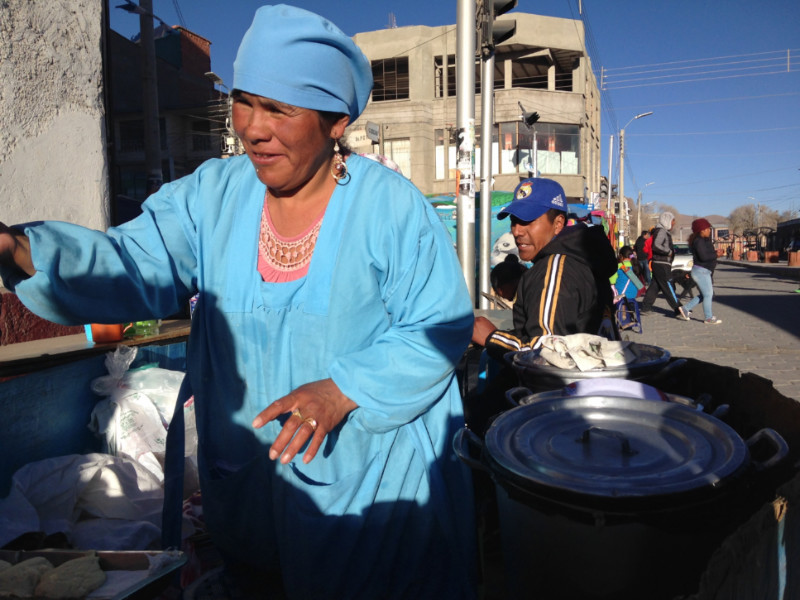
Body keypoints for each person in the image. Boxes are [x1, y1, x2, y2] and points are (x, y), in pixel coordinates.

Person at [0, 6, 477, 599]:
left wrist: (339, 389)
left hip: (361, 484)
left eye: (280, 109)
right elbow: (131, 261)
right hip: (248, 483)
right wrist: (20, 250)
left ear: (336, 122)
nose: (253, 127)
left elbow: (438, 325)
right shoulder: (212, 196)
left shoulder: (390, 208)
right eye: (245, 101)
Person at [472, 177, 618, 358]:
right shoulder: (581, 258)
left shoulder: (554, 269)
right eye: (514, 221)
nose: (517, 231)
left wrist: (492, 337)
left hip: (555, 385)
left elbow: (547, 349)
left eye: (527, 221)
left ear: (557, 224)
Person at [639, 211, 690, 320]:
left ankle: (645, 308)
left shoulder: (661, 231)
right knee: (668, 286)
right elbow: (656, 245)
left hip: (659, 263)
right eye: (672, 222)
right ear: (667, 221)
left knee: (654, 286)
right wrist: (668, 252)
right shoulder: (661, 231)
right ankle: (679, 309)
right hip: (662, 264)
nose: (673, 224)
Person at [683, 218, 722, 324]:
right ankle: (708, 318)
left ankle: (685, 309)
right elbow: (704, 257)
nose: (709, 230)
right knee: (708, 294)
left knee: (706, 294)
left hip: (705, 271)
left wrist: (715, 252)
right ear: (701, 230)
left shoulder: (705, 240)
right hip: (701, 271)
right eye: (707, 229)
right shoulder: (698, 241)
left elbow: (707, 253)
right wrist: (716, 255)